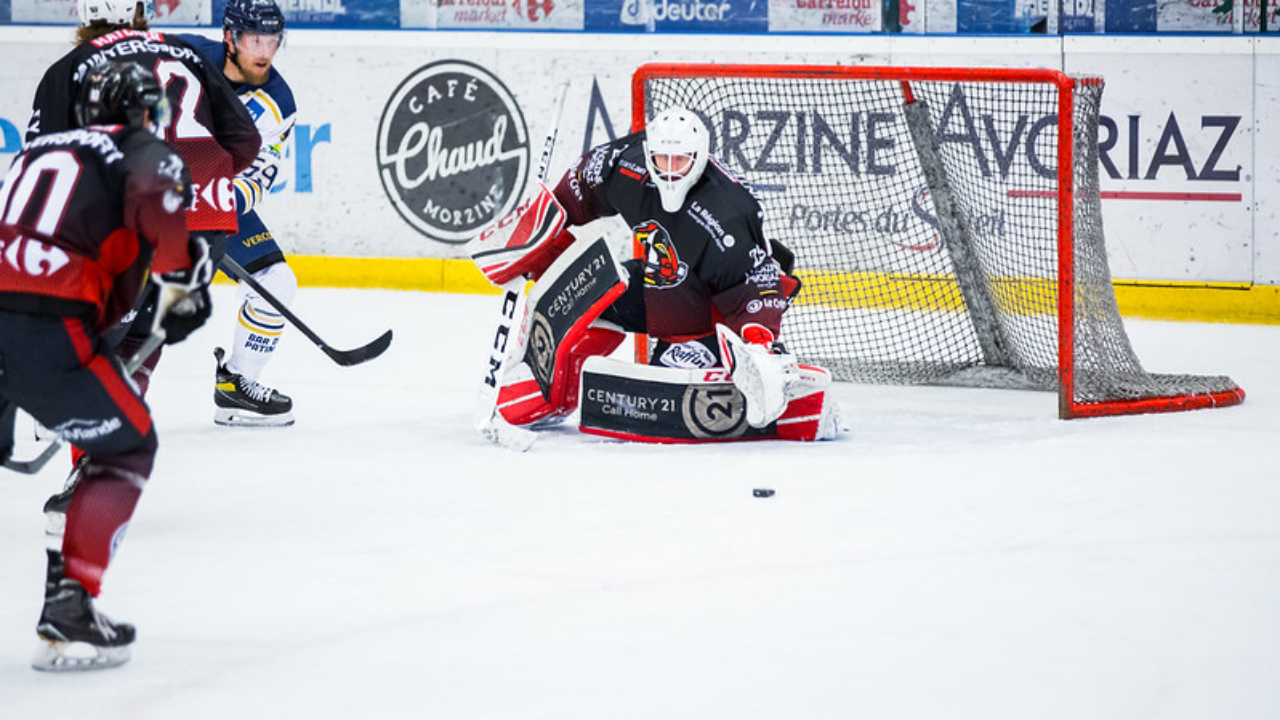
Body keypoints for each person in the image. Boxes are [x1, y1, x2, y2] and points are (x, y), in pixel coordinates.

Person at [0, 61, 213, 671]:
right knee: (128, 446)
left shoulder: (37, 149)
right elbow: (155, 191)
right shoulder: (142, 149)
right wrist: (181, 282)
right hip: (47, 328)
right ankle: (70, 609)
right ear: (150, 111)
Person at [472, 107, 816, 433]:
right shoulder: (628, 167)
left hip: (710, 312)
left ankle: (762, 369)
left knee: (664, 390)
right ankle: (553, 392)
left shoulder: (728, 213)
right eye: (661, 158)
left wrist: (758, 345)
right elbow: (583, 181)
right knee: (580, 287)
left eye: (679, 160)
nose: (668, 169)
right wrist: (538, 230)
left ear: (699, 159)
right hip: (659, 285)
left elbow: (757, 285)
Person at [178, 0, 299, 426]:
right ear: (230, 38)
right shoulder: (184, 54)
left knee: (277, 280)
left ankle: (237, 386)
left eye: (272, 40)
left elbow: (256, 178)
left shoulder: (277, 101)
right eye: (254, 40)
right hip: (145, 192)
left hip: (210, 202)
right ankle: (70, 395)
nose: (264, 51)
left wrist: (212, 207)